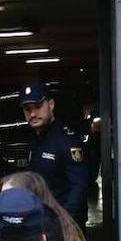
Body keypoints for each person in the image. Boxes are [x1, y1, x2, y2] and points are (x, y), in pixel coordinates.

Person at [20, 82, 90, 227]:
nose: (33, 114)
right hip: (42, 223)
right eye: (28, 109)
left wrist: (65, 222)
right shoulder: (34, 139)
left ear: (50, 105)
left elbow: (79, 186)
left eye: (38, 107)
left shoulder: (66, 140)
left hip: (65, 226)